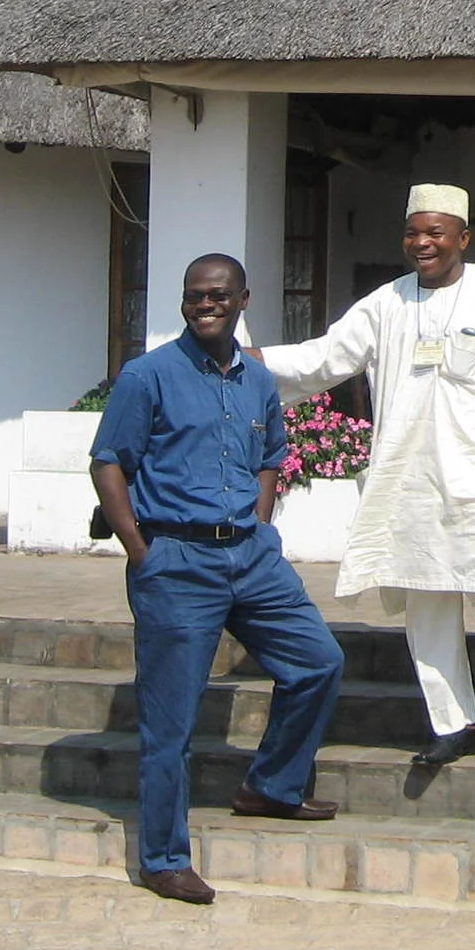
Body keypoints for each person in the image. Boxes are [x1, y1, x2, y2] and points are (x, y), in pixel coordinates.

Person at [258, 185, 475, 765]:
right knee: (427, 597)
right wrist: (248, 360)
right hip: (410, 477)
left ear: (463, 239)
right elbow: (324, 358)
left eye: (435, 233)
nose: (421, 243)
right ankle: (455, 724)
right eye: (412, 233)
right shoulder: (386, 304)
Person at [90, 253, 345, 904]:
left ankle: (273, 786)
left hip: (251, 557)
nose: (205, 305)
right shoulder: (147, 376)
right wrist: (140, 550)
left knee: (318, 662)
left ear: (242, 300)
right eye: (194, 296)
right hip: (176, 560)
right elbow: (108, 462)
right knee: (171, 723)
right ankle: (163, 859)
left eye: (218, 295)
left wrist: (260, 524)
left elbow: (270, 457)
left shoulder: (257, 379)